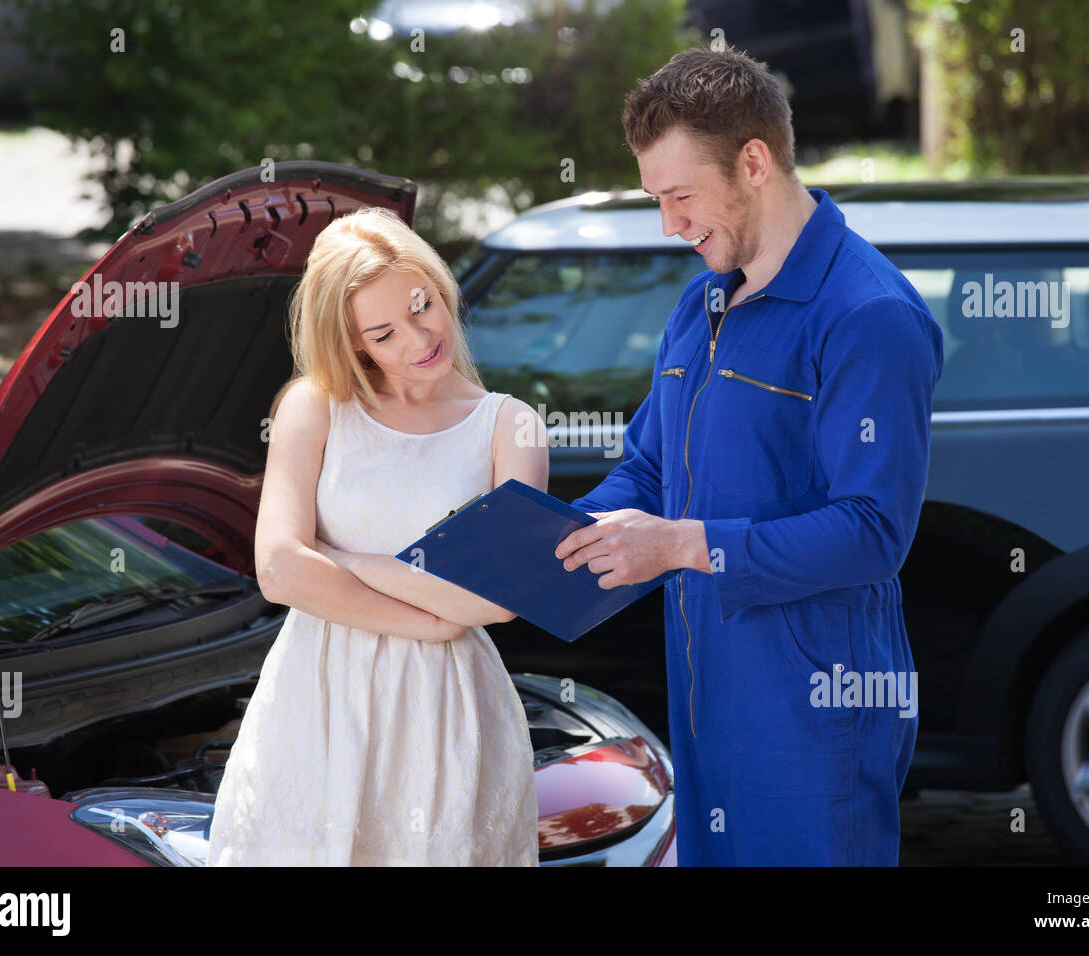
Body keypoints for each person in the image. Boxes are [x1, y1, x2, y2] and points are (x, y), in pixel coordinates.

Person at [554, 47, 943, 865]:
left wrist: (684, 544)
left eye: (681, 196)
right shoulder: (701, 305)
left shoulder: (868, 315)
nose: (671, 225)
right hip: (706, 697)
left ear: (755, 162)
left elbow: (873, 530)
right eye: (657, 199)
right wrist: (554, 539)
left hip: (815, 714)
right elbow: (650, 472)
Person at [207, 205, 546, 866]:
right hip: (317, 698)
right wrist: (425, 618)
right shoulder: (313, 407)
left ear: (441, 288)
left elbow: (501, 597)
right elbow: (278, 569)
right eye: (385, 333)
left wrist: (337, 559)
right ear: (354, 342)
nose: (419, 340)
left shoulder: (511, 426)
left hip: (446, 708)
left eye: (423, 306)